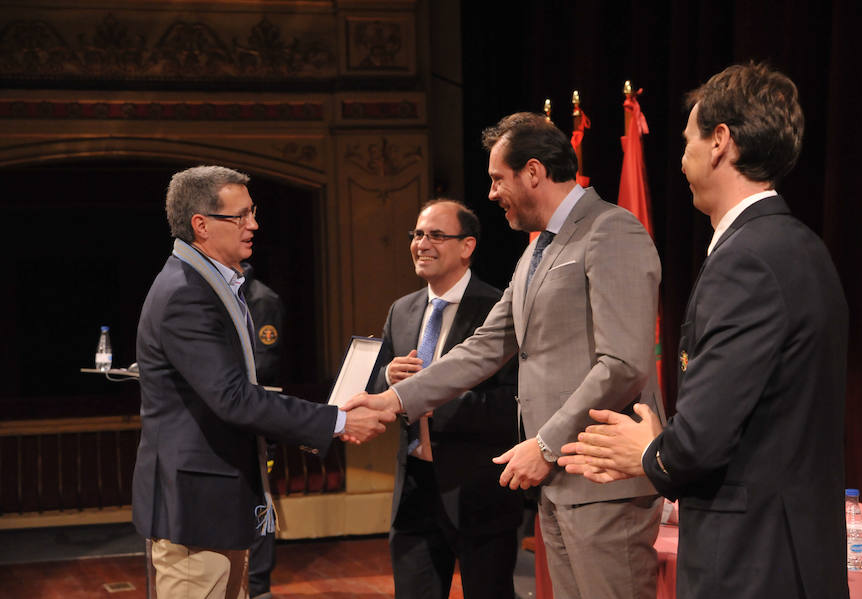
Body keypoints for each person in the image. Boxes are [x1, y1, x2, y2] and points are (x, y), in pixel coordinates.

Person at [559, 63, 850, 599]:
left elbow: (701, 440)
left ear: (721, 142)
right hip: (788, 554)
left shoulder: (748, 261)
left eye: (688, 137)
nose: (681, 153)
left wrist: (648, 451)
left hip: (750, 565)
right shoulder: (800, 247)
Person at [346, 113, 665, 599]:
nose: (492, 193)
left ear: (533, 172)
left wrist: (545, 445)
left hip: (601, 481)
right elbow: (484, 346)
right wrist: (393, 401)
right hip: (560, 484)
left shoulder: (611, 231)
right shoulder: (537, 251)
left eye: (498, 179)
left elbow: (623, 364)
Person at [132, 165, 392, 599]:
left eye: (253, 212)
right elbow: (233, 399)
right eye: (240, 216)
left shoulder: (211, 286)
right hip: (195, 513)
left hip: (214, 509)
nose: (254, 225)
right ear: (201, 225)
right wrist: (339, 422)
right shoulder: (186, 294)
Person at [368, 199, 522, 599]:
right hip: (414, 490)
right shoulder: (401, 310)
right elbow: (370, 387)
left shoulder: (499, 309)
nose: (422, 243)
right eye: (417, 234)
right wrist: (388, 377)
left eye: (436, 235)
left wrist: (432, 398)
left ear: (467, 246)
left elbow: (517, 404)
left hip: (480, 491)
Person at [241, 261, 284, 599]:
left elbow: (264, 362)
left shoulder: (261, 299)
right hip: (232, 417)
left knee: (260, 500)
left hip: (256, 416)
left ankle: (259, 587)